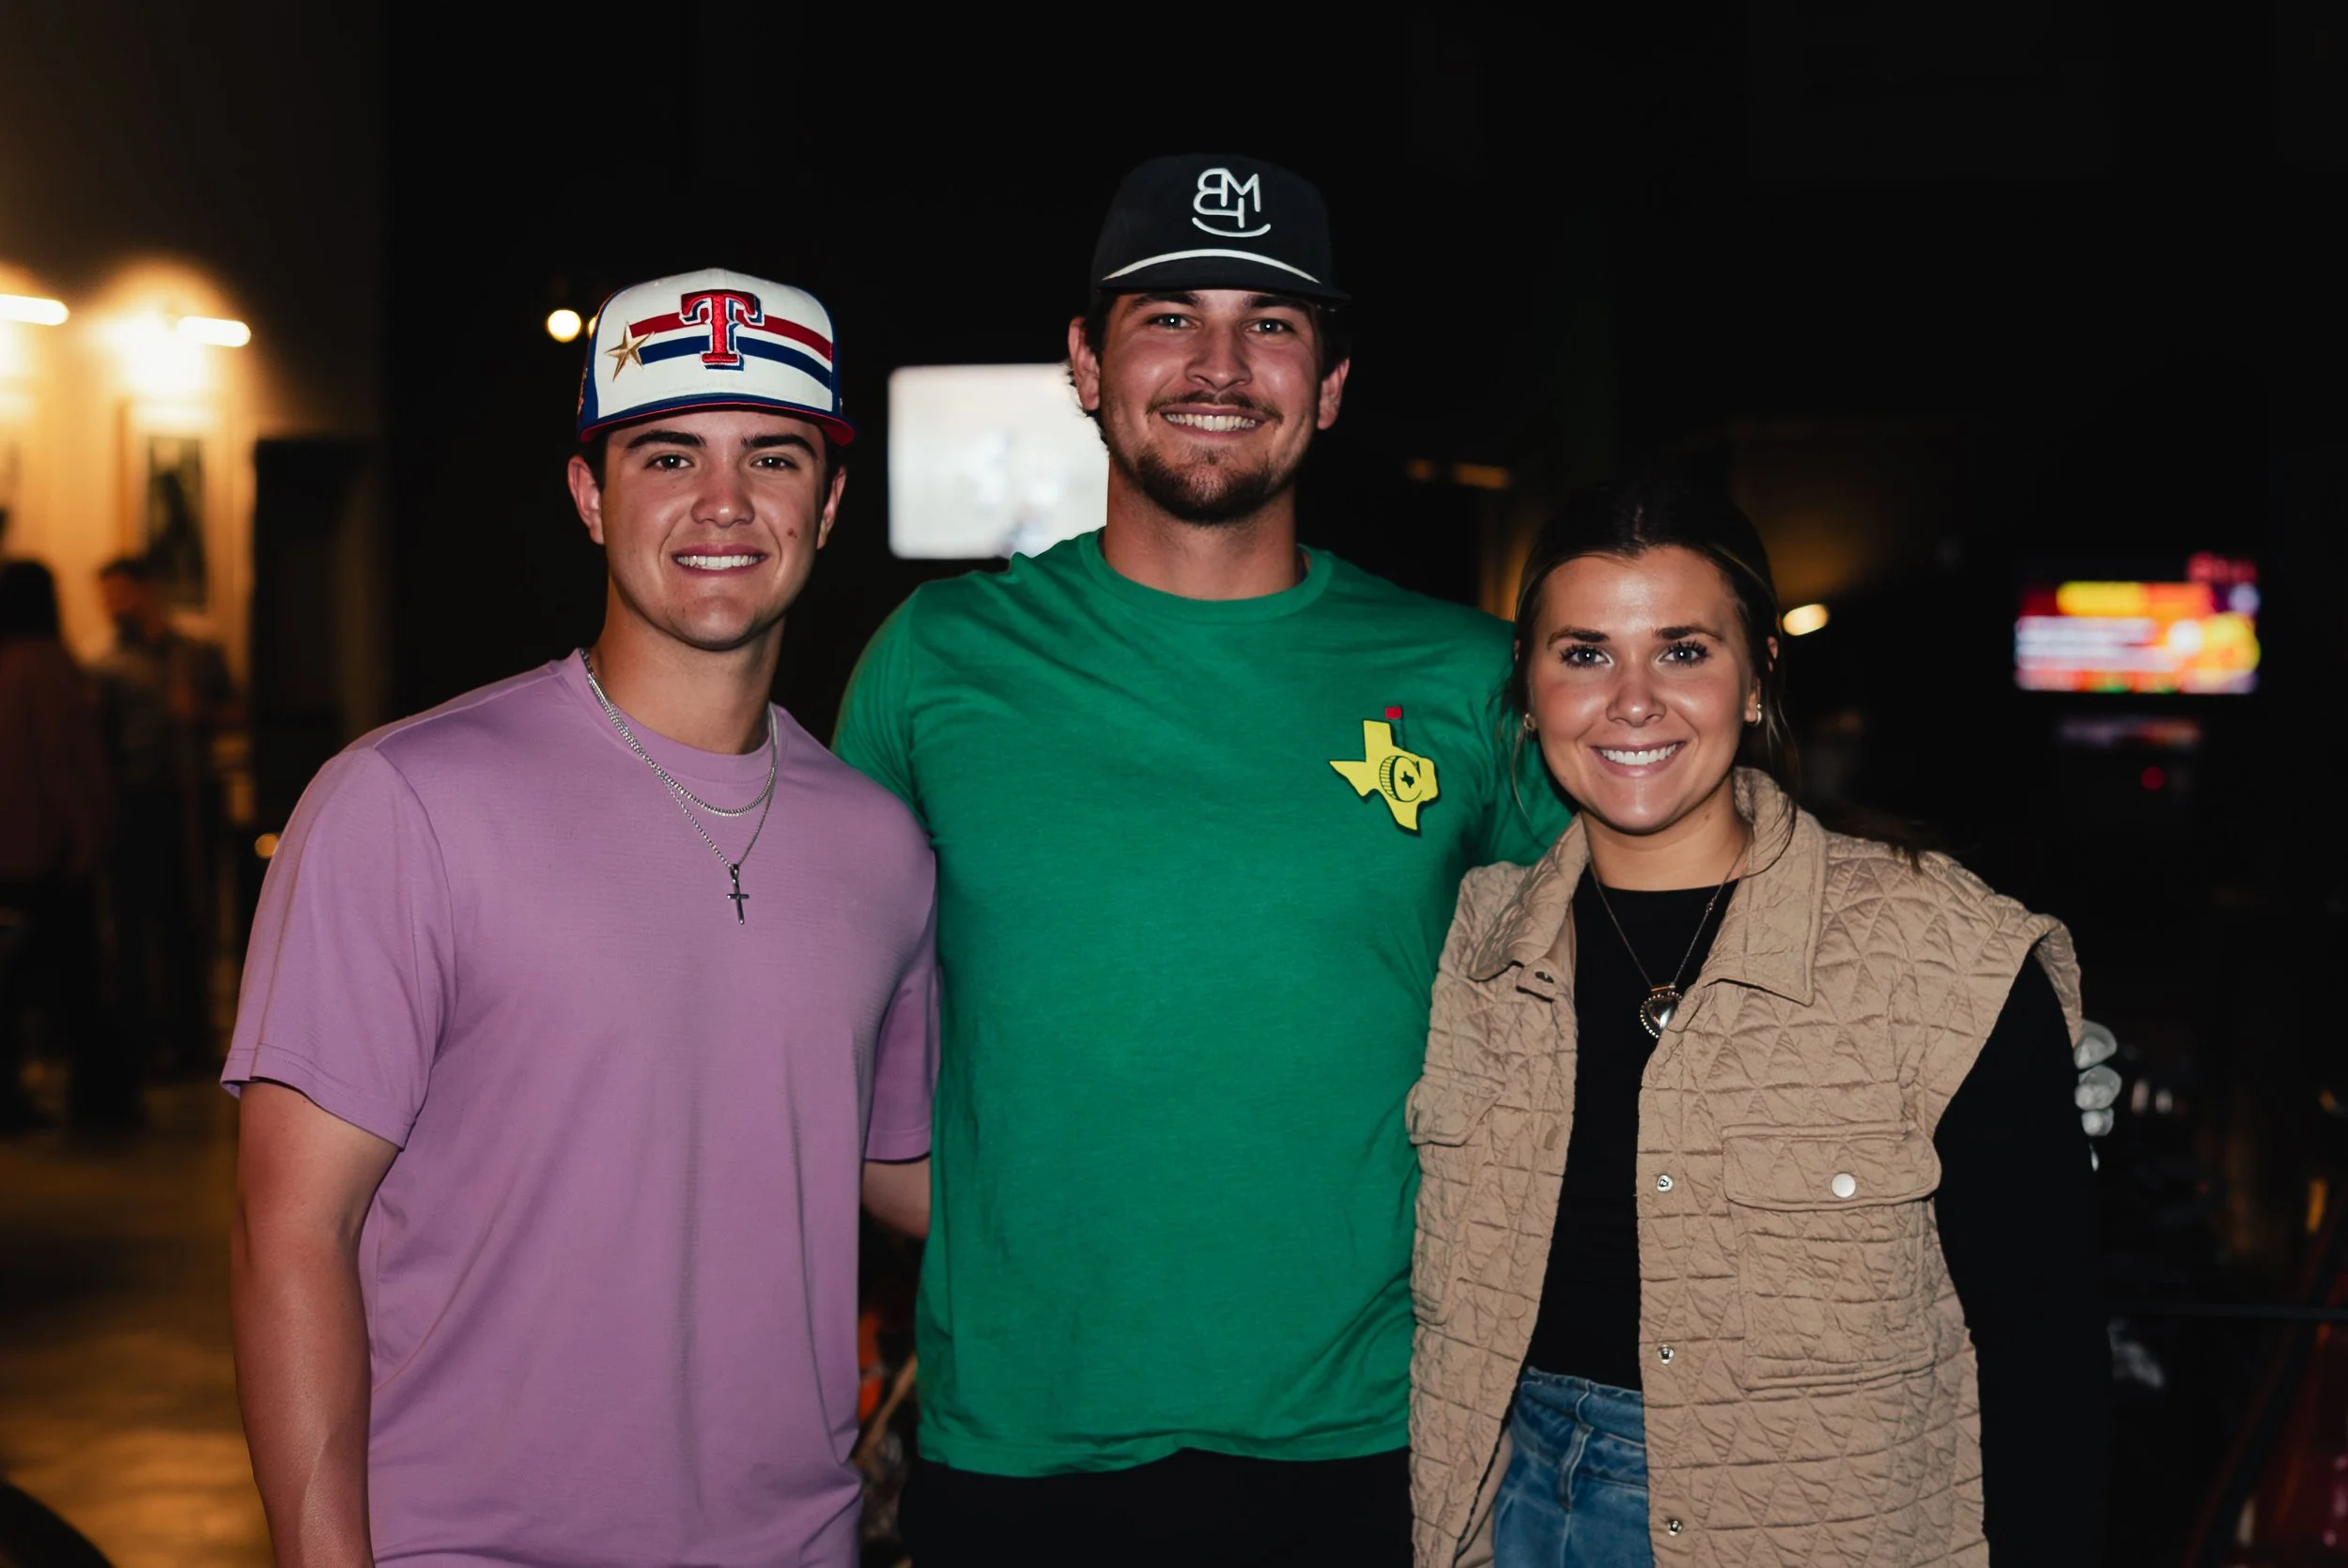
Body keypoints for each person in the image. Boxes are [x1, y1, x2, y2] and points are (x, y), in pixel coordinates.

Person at [836, 158, 2118, 1566]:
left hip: (1381, 1447)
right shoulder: (933, 662)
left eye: (1270, 324)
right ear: (1085, 363)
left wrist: (1983, 1054)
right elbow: (820, 1020)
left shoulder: (1463, 679)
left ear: (1328, 386)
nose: (1217, 362)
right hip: (1017, 1441)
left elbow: (1678, 901)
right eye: (1166, 316)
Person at [226, 268, 938, 1568]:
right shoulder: (405, 800)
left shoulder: (881, 843)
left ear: (827, 504)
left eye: (771, 456)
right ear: (588, 493)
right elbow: (292, 1232)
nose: (723, 502)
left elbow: (905, 1171)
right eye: (668, 453)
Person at [1409, 479, 2109, 1566]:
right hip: (1510, 1501)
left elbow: (2046, 1345)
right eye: (1584, 653)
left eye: (1683, 650)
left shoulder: (1934, 944)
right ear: (1528, 687)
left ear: (1755, 678)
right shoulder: (1477, 940)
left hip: (1821, 1521)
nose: (1631, 700)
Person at [91, 554, 239, 1075]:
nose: (110, 605)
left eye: (119, 592)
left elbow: (236, 710)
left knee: (189, 919)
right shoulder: (105, 667)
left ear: (147, 590)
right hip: (133, 804)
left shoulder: (195, 654)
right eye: (105, 595)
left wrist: (199, 712)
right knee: (133, 925)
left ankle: (191, 1040)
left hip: (189, 798)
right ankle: (141, 1043)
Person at [0, 561, 116, 1130]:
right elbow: (66, 761)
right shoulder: (48, 666)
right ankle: (95, 1099)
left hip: (12, 849)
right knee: (78, 980)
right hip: (49, 849)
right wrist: (89, 834)